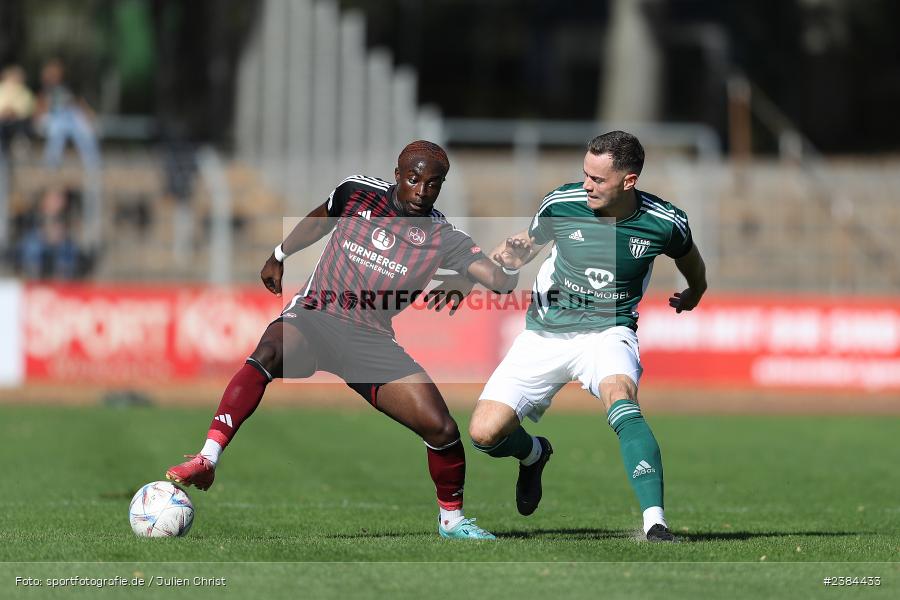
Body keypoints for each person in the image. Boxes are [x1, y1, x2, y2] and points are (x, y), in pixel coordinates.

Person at [166, 140, 529, 540]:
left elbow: (498, 281)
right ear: (398, 176)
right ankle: (207, 457)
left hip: (370, 341)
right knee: (268, 354)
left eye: (433, 184)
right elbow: (322, 217)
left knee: (442, 429)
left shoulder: (440, 235)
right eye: (414, 179)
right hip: (316, 317)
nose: (422, 191)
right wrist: (279, 254)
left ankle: (452, 521)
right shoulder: (358, 192)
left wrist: (510, 259)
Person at [466, 131, 707, 542]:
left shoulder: (665, 222)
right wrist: (506, 257)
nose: (586, 185)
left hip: (608, 331)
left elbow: (692, 262)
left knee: (621, 398)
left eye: (597, 179)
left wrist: (695, 292)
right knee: (484, 434)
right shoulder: (561, 202)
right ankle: (533, 454)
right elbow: (524, 249)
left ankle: (655, 522)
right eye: (585, 175)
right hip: (545, 333)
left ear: (628, 181)